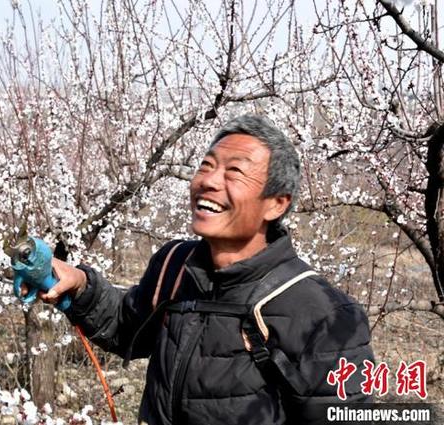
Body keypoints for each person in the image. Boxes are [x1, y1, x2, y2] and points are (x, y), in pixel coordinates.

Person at [42, 115, 374, 425]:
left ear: (276, 203)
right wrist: (81, 285)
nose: (209, 181)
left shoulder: (323, 315)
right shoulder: (174, 264)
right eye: (206, 165)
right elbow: (128, 325)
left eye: (235, 172)